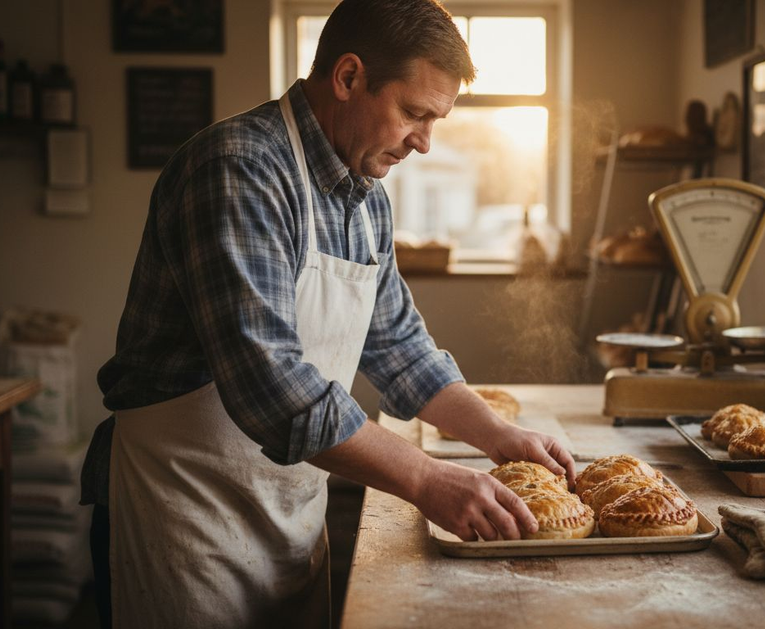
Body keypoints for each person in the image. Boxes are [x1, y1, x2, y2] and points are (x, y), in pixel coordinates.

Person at [79, 1, 575, 627]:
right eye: (414, 113)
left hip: (287, 518)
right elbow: (273, 388)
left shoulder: (364, 194)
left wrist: (500, 437)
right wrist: (427, 480)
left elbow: (402, 349)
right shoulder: (237, 169)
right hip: (183, 521)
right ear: (348, 77)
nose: (424, 142)